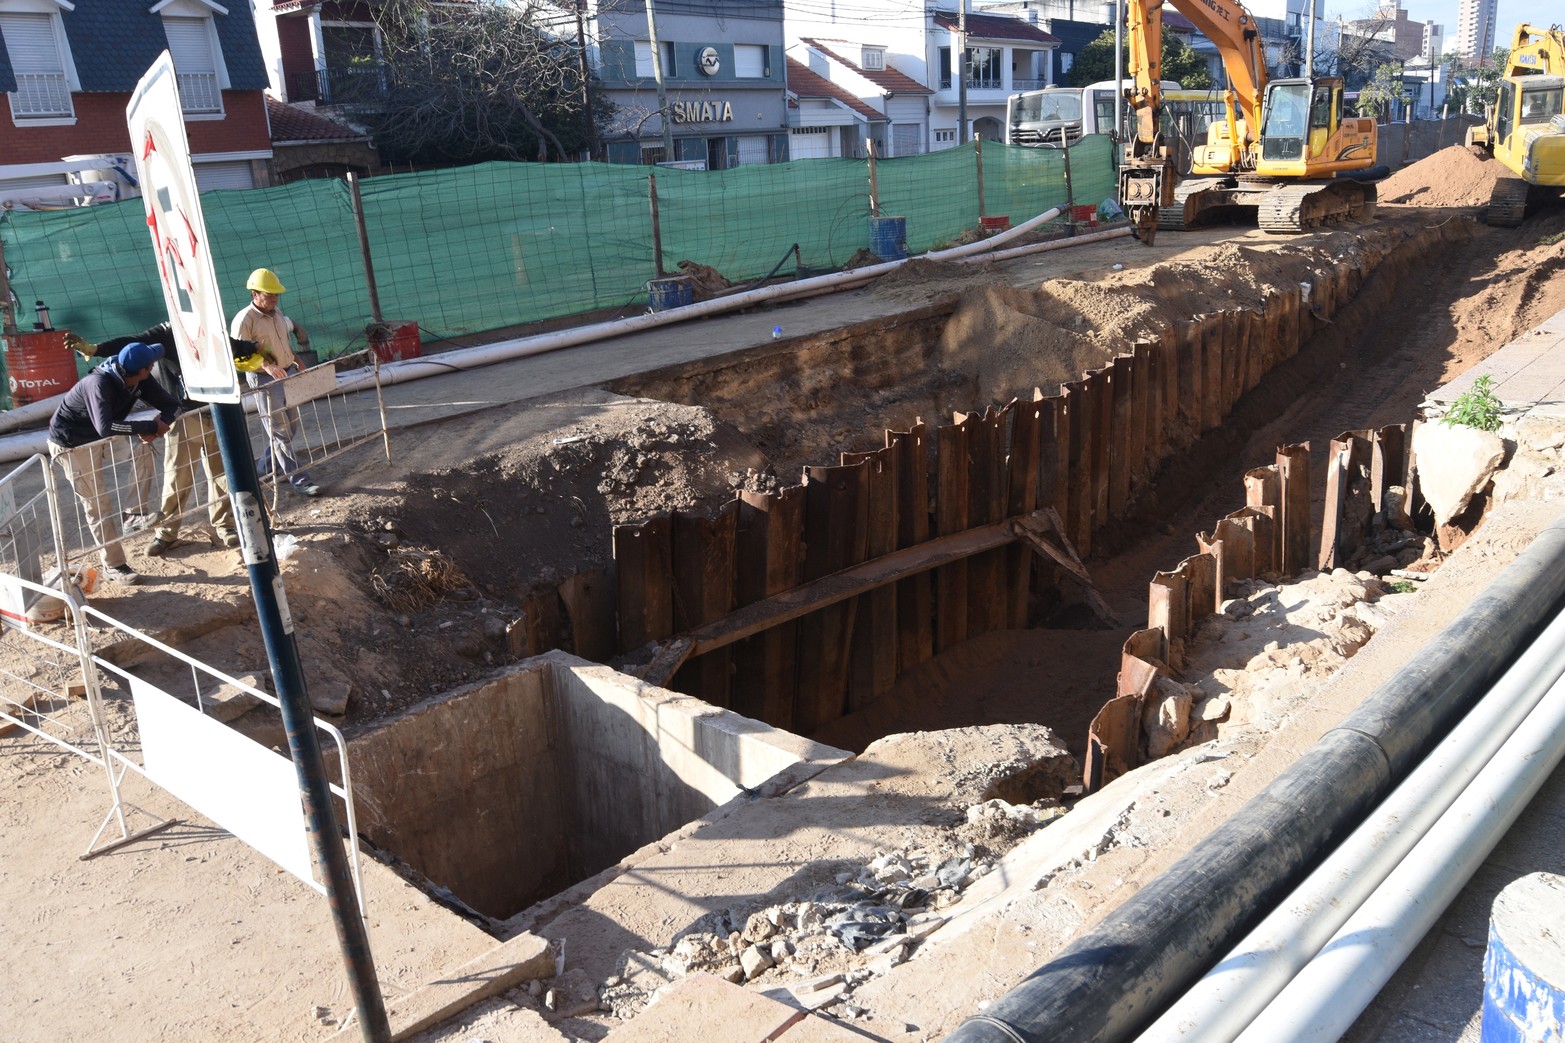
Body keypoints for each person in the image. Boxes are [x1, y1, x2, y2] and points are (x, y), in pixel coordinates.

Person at [67, 323, 256, 555]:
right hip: (186, 414)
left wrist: (253, 347)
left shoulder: (209, 322)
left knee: (221, 474)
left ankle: (225, 526)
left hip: (219, 411)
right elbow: (131, 342)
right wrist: (95, 349)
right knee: (177, 476)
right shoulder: (170, 331)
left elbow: (233, 346)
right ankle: (167, 534)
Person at [46, 342, 179, 584]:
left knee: (143, 447)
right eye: (151, 365)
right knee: (97, 504)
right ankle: (114, 565)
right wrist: (150, 426)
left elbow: (170, 403)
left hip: (101, 434)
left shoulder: (140, 377)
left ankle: (134, 514)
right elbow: (105, 427)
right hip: (73, 443)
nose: (153, 366)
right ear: (143, 370)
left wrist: (162, 422)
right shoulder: (99, 384)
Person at [229, 267, 322, 497]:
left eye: (275, 294)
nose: (273, 298)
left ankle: (264, 467)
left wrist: (296, 359)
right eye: (268, 294)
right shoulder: (244, 320)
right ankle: (300, 480)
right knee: (279, 431)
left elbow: (284, 342)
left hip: (287, 373)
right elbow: (239, 357)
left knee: (290, 427)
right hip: (264, 379)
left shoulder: (277, 313)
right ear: (254, 294)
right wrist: (267, 366)